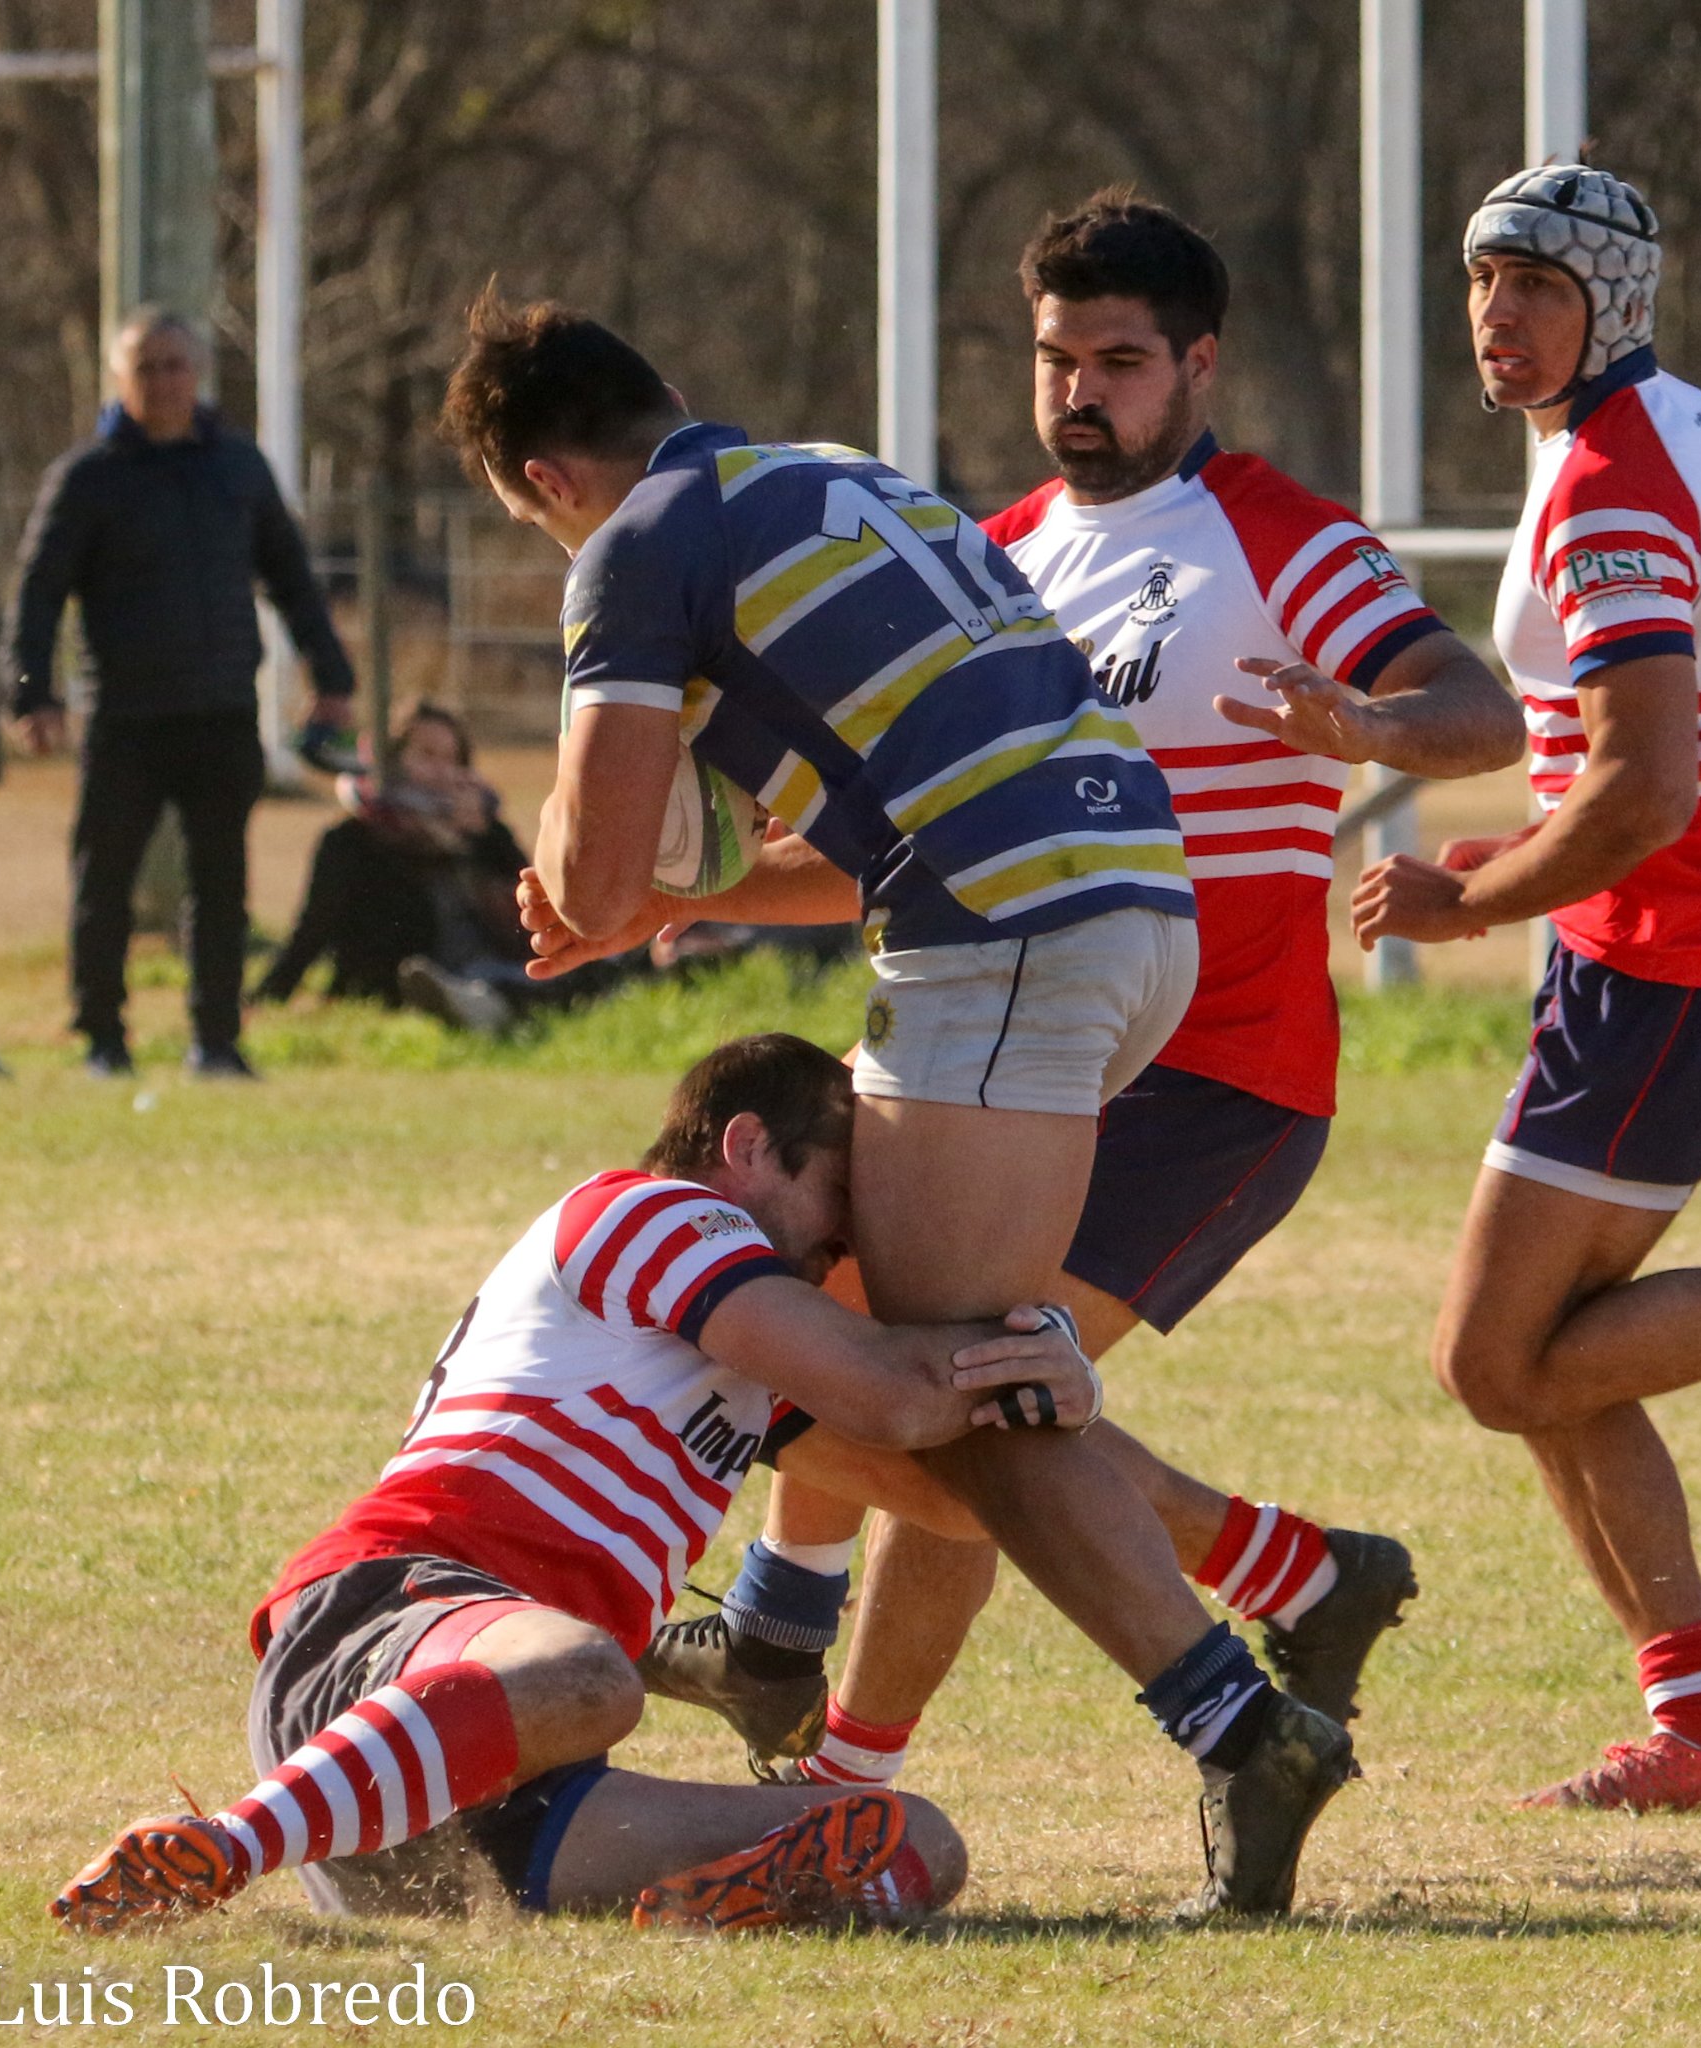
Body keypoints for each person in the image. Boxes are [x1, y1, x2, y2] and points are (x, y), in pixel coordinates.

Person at [438, 290, 1357, 1917]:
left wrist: (597, 872)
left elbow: (587, 866)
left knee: (938, 1379)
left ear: (541, 473)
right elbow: (904, 797)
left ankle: (1241, 1719)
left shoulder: (634, 541)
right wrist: (676, 897)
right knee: (932, 1343)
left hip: (996, 933)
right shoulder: (840, 478)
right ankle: (800, 1632)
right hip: (1134, 909)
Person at [654, 191, 1527, 1793]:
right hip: (1007, 1052)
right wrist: (681, 888)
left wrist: (1369, 725)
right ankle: (806, 1664)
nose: (1078, 393)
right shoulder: (989, 559)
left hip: (1210, 1081)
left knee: (964, 1402)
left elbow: (1480, 713)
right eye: (1055, 357)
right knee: (865, 1352)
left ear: (1197, 364)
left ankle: (860, 1749)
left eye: (1118, 360)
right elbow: (900, 841)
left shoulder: (1281, 542)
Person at [51, 1034, 1112, 1934]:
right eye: (839, 1189)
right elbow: (893, 1394)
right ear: (744, 1146)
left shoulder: (747, 1360)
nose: (849, 1237)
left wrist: (1060, 1391)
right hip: (388, 1626)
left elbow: (956, 1503)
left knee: (918, 1840)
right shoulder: (652, 1215)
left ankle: (706, 1908)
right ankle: (219, 1846)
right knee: (587, 1674)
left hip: (466, 1798)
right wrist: (1039, 1339)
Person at [1353, 164, 1701, 1811]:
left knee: (1497, 1362)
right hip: (1680, 938)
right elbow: (1652, 756)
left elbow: (1645, 790)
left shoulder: (1612, 485)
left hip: (1676, 960)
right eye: (1483, 282)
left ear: (1614, 303)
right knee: (1546, 1350)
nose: (1497, 318)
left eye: (1536, 287)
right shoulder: (1683, 424)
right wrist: (1524, 866)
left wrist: (1470, 900)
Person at [2, 307, 358, 1079]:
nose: (163, 381)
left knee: (221, 885)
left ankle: (217, 1042)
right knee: (104, 883)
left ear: (197, 374)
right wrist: (31, 693)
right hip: (125, 716)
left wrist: (332, 678)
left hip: (221, 709)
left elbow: (292, 578)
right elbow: (37, 591)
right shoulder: (87, 477)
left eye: (175, 365)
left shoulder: (237, 467)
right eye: (147, 367)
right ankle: (102, 1039)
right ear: (119, 377)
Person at [253, 701, 637, 1031]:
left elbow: (535, 907)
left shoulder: (483, 832)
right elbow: (311, 930)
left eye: (452, 759)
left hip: (493, 965)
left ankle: (491, 1006)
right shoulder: (354, 839)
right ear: (392, 761)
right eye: (427, 755)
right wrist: (266, 998)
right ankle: (475, 1007)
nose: (441, 771)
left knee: (589, 969)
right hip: (402, 981)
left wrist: (485, 838)